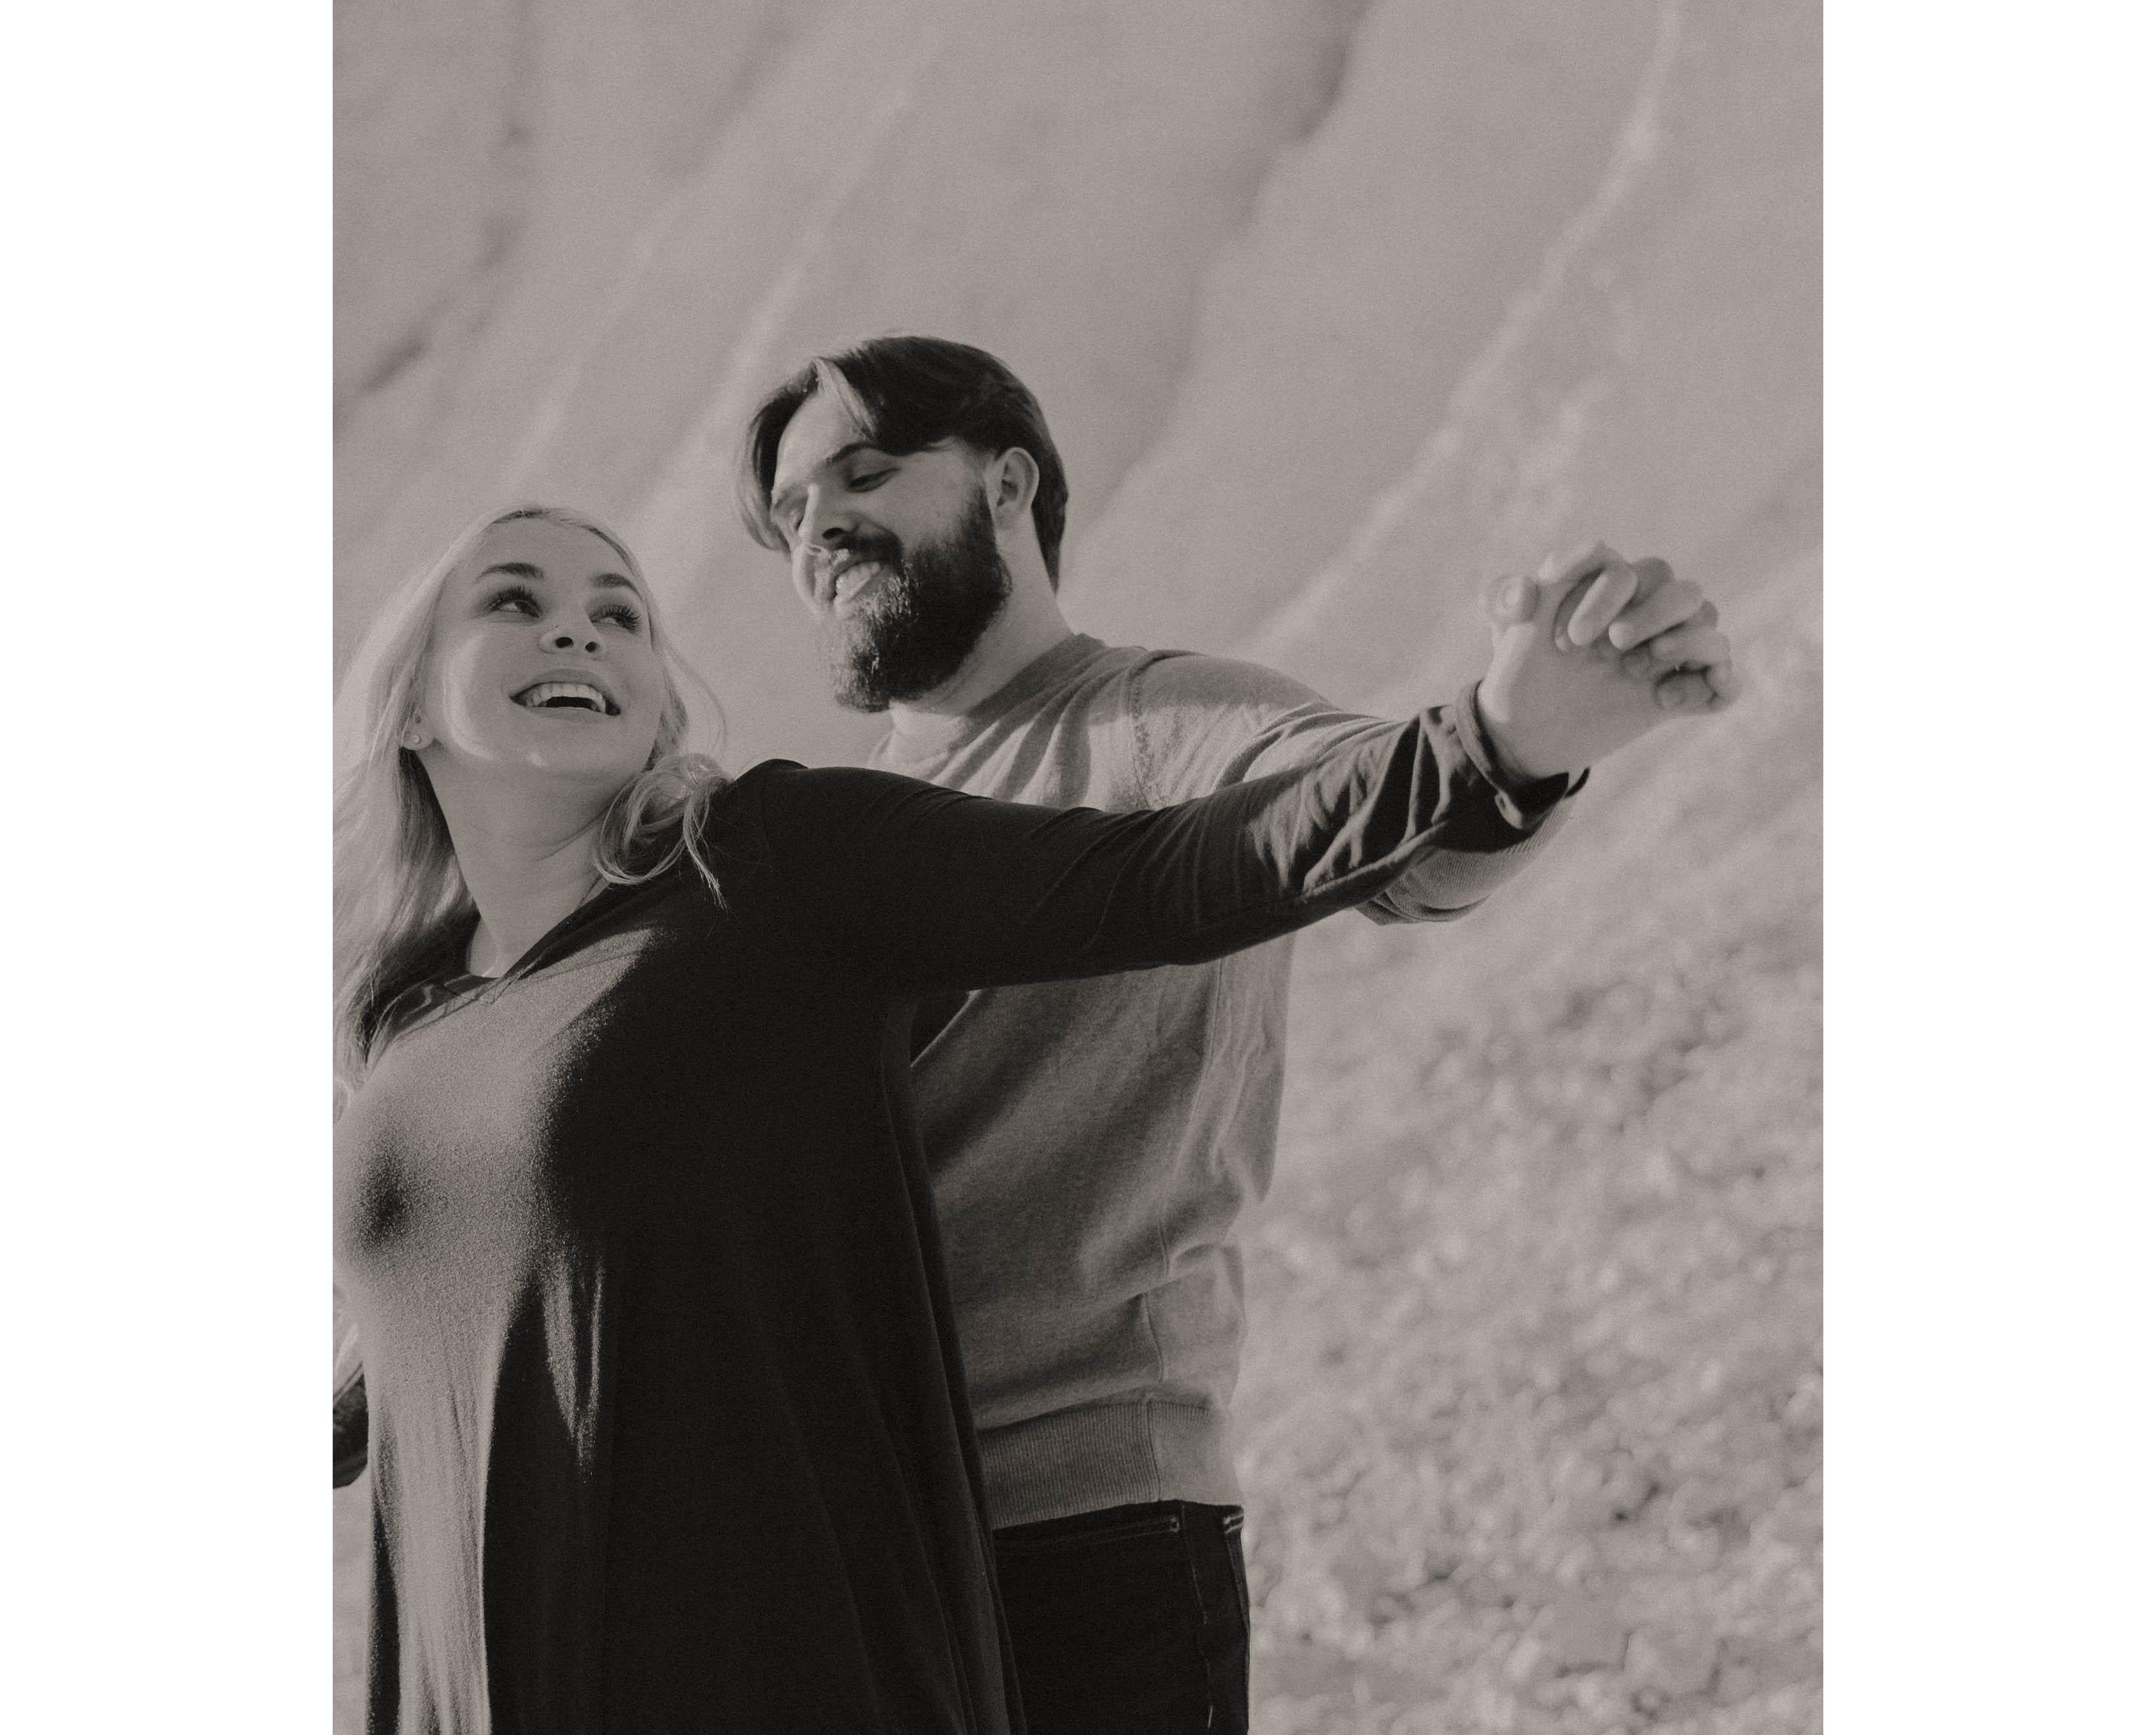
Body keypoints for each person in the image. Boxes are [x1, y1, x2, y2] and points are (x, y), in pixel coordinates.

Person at [333, 498, 1664, 1734]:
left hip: (766, 1671)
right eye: (515, 600)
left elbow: (1154, 874)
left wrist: (1493, 748)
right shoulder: (406, 1017)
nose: (579, 628)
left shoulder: (773, 862)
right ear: (408, 703)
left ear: (660, 702)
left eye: (619, 612)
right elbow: (432, 1320)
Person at [740, 336, 1736, 1734]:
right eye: (790, 512)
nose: (820, 527)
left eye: (864, 473)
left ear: (1007, 483)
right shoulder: (823, 826)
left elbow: (1383, 843)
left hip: (1085, 1536)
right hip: (856, 1553)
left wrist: (1512, 744)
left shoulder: (1169, 720)